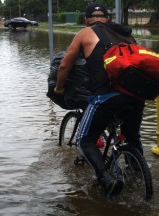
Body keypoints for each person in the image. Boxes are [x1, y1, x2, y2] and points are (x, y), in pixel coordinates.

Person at [54, 3, 145, 196]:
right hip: (136, 97)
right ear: (108, 18)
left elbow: (64, 65)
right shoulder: (128, 35)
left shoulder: (85, 33)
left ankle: (105, 179)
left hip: (106, 97)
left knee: (84, 140)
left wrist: (60, 88)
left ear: (87, 20)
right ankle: (138, 177)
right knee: (132, 137)